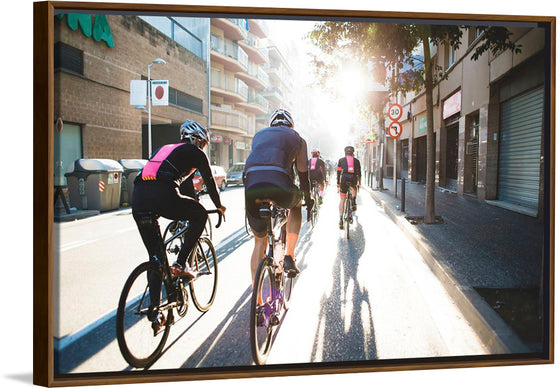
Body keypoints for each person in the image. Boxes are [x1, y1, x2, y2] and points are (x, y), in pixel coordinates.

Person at [132, 119, 226, 332]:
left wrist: (190, 203)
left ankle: (156, 311)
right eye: (202, 144)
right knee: (200, 216)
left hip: (138, 198)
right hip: (162, 194)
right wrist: (219, 207)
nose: (202, 148)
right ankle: (181, 263)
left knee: (156, 258)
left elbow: (184, 188)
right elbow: (210, 182)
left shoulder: (166, 149)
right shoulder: (195, 153)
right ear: (197, 140)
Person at [244, 108, 314, 283]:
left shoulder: (259, 135)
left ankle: (258, 304)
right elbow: (303, 173)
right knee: (295, 205)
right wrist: (308, 198)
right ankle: (289, 255)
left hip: (252, 185)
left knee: (259, 243)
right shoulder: (297, 138)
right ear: (291, 125)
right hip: (279, 185)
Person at [337, 145, 362, 229]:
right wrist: (359, 183)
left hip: (344, 180)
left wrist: (338, 184)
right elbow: (359, 173)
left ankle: (340, 219)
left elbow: (338, 172)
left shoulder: (341, 160)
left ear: (345, 153)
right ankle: (354, 201)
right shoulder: (357, 161)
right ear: (353, 153)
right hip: (353, 179)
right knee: (354, 188)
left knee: (342, 200)